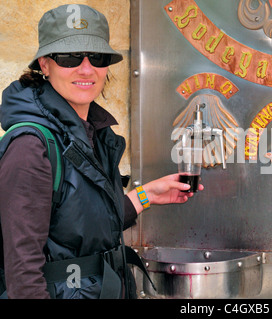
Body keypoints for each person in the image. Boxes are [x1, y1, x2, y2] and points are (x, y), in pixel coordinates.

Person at [0, 4, 201, 299]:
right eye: (69, 57)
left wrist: (149, 195)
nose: (86, 68)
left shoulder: (95, 133)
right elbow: (22, 272)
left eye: (97, 56)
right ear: (44, 64)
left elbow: (86, 224)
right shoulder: (31, 147)